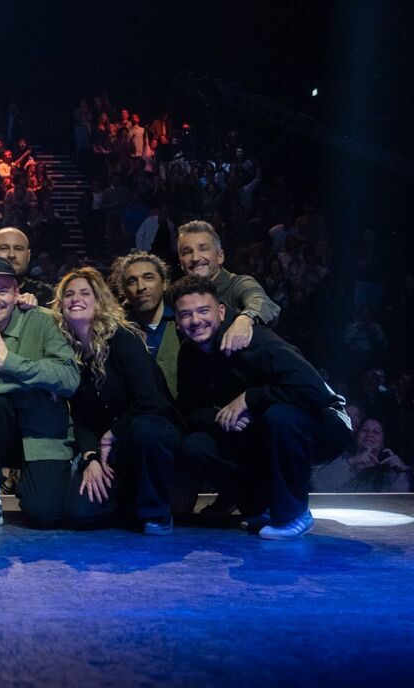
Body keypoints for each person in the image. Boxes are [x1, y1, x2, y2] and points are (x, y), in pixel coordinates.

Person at [171, 276, 352, 540]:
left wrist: (250, 399)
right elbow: (188, 409)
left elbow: (314, 390)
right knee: (196, 445)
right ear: (177, 321)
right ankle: (261, 507)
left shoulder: (253, 339)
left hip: (326, 423)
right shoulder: (189, 354)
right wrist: (221, 417)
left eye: (203, 310)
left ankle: (293, 515)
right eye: (186, 314)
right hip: (263, 431)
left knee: (280, 416)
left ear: (220, 311)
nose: (196, 320)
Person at [0, 257, 81, 530]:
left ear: (16, 292)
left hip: (41, 432)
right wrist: (36, 383)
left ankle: (43, 479)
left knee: (44, 515)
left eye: (2, 291)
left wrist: (10, 363)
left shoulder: (43, 321)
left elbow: (69, 378)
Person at [53, 267, 183, 534]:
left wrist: (112, 433)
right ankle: (126, 499)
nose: (76, 299)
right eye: (69, 294)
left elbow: (149, 400)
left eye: (85, 293)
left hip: (149, 436)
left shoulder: (124, 338)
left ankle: (157, 514)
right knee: (79, 514)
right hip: (109, 449)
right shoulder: (69, 353)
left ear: (99, 300)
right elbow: (80, 417)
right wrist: (90, 458)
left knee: (146, 429)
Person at [176, 221, 281, 355]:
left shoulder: (239, 284)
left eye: (203, 249)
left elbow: (262, 302)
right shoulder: (180, 298)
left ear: (220, 256)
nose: (195, 257)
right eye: (187, 252)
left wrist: (244, 320)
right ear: (181, 262)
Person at [110, 251, 180, 397]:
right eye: (132, 281)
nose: (141, 286)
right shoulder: (117, 332)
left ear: (164, 283)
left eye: (148, 277)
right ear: (123, 291)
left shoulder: (183, 320)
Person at [310, 418, 409, 492]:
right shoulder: (340, 458)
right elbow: (319, 486)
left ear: (383, 443)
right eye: (365, 430)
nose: (369, 434)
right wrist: (352, 462)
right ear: (357, 436)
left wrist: (402, 472)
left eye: (376, 432)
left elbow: (397, 501)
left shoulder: (388, 471)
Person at [0, 228, 56, 306]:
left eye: (18, 249)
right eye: (3, 248)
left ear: (28, 256)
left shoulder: (48, 296)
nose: (11, 255)